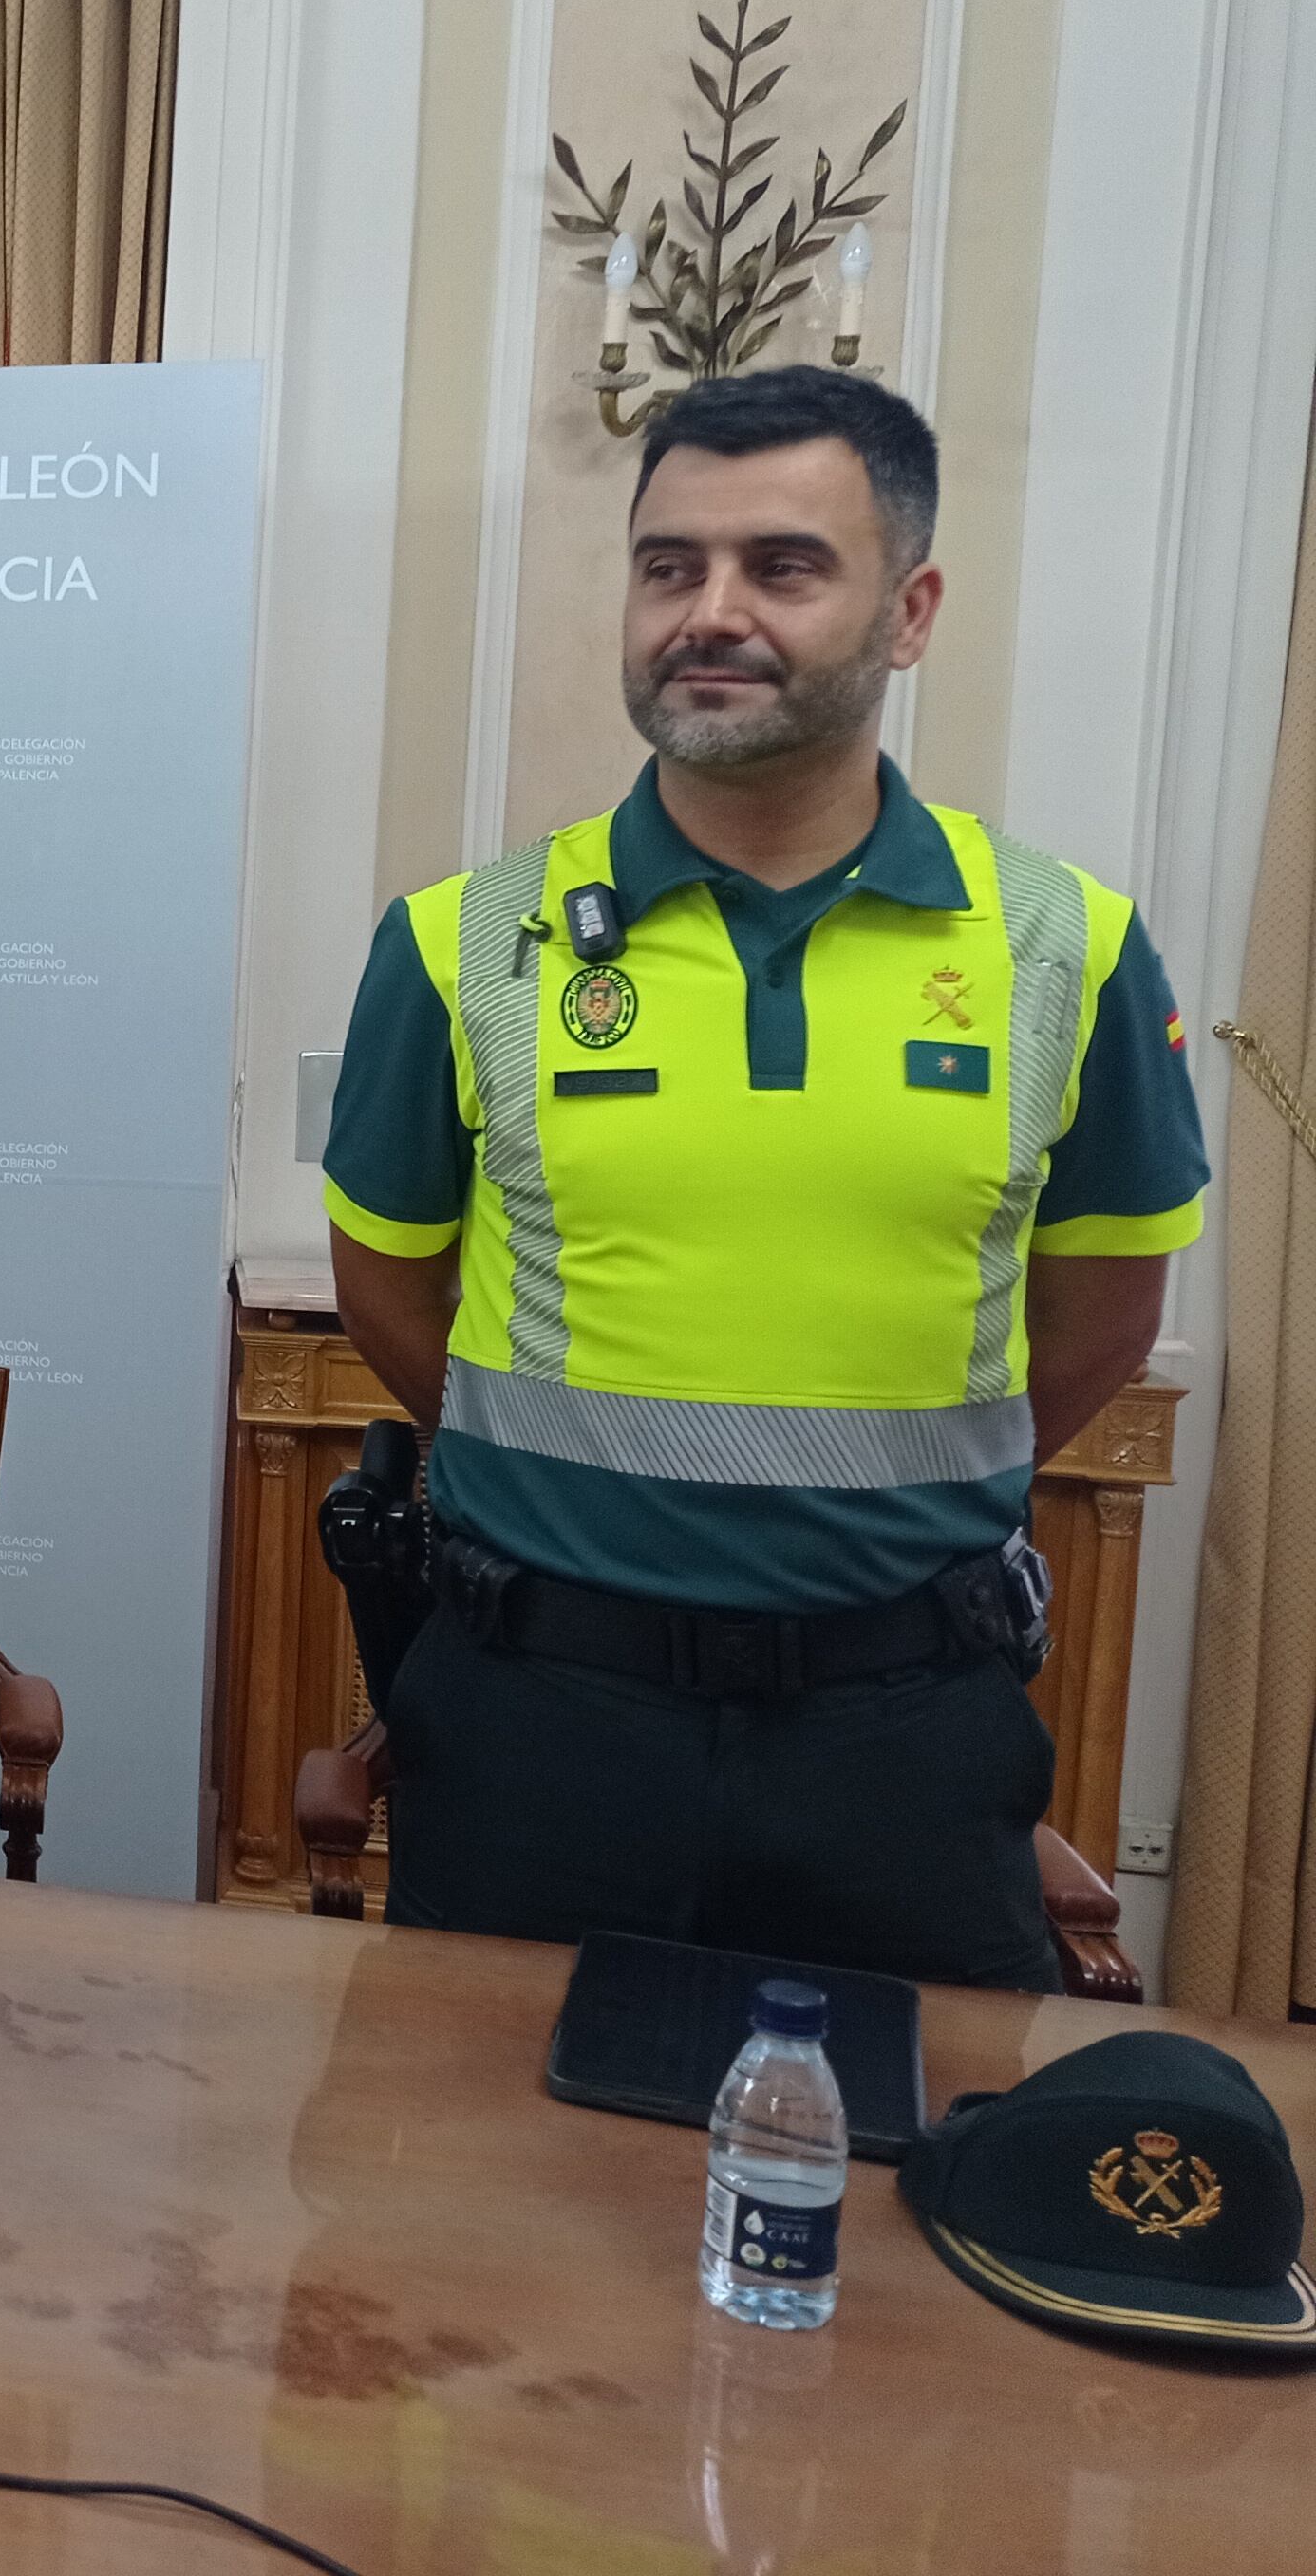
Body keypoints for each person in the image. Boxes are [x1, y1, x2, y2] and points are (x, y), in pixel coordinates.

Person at [323, 366, 1209, 1989]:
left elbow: (1103, 1308)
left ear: (912, 607)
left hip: (906, 1726)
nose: (708, 612)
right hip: (542, 1715)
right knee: (476, 2204)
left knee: (899, 2200)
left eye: (783, 567)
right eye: (671, 566)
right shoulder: (463, 942)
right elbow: (387, 1285)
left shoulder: (1061, 944)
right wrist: (564, 1474)